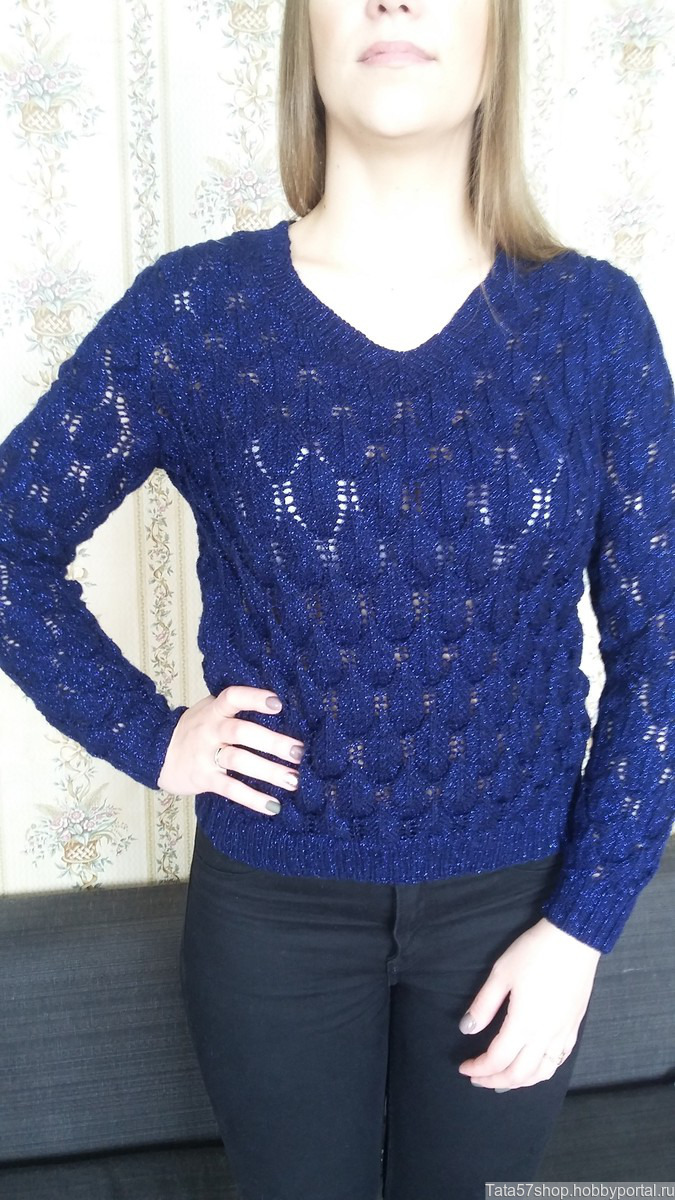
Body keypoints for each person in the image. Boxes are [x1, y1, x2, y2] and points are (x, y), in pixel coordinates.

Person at [0, 0, 672, 1197]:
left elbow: (662, 642)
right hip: (274, 921)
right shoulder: (198, 314)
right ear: (303, 34)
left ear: (498, 36)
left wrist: (582, 927)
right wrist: (151, 737)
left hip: (518, 911)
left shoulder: (593, 325)